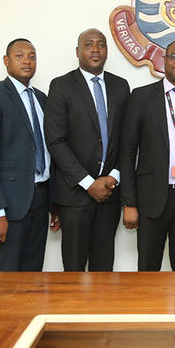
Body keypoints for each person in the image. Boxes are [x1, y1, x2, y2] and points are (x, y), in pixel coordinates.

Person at [121, 39, 175, 271]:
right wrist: (129, 203)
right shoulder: (141, 97)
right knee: (148, 271)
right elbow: (128, 151)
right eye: (174, 56)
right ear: (164, 60)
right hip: (150, 200)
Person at [45, 28, 130, 271]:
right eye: (89, 44)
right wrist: (88, 183)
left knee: (104, 270)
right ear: (77, 51)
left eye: (101, 44)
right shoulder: (61, 86)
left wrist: (113, 177)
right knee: (73, 270)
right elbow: (56, 141)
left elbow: (127, 140)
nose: (95, 49)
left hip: (109, 195)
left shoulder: (120, 86)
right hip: (74, 197)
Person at [0, 38, 57, 271]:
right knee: (6, 276)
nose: (27, 61)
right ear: (6, 61)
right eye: (20, 56)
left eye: (32, 56)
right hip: (9, 204)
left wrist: (54, 203)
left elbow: (47, 149)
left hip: (40, 199)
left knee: (33, 275)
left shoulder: (42, 98)